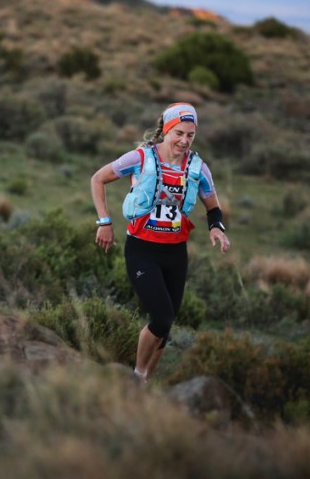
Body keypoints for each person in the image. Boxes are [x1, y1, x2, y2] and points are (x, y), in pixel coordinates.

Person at [90, 102, 230, 383]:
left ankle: (143, 386)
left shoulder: (198, 168)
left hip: (175, 253)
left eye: (190, 135)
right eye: (179, 133)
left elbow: (213, 207)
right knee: (162, 317)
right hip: (142, 249)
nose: (184, 141)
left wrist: (216, 227)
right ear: (166, 130)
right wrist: (104, 222)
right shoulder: (140, 157)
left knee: (165, 327)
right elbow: (98, 179)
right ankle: (137, 376)